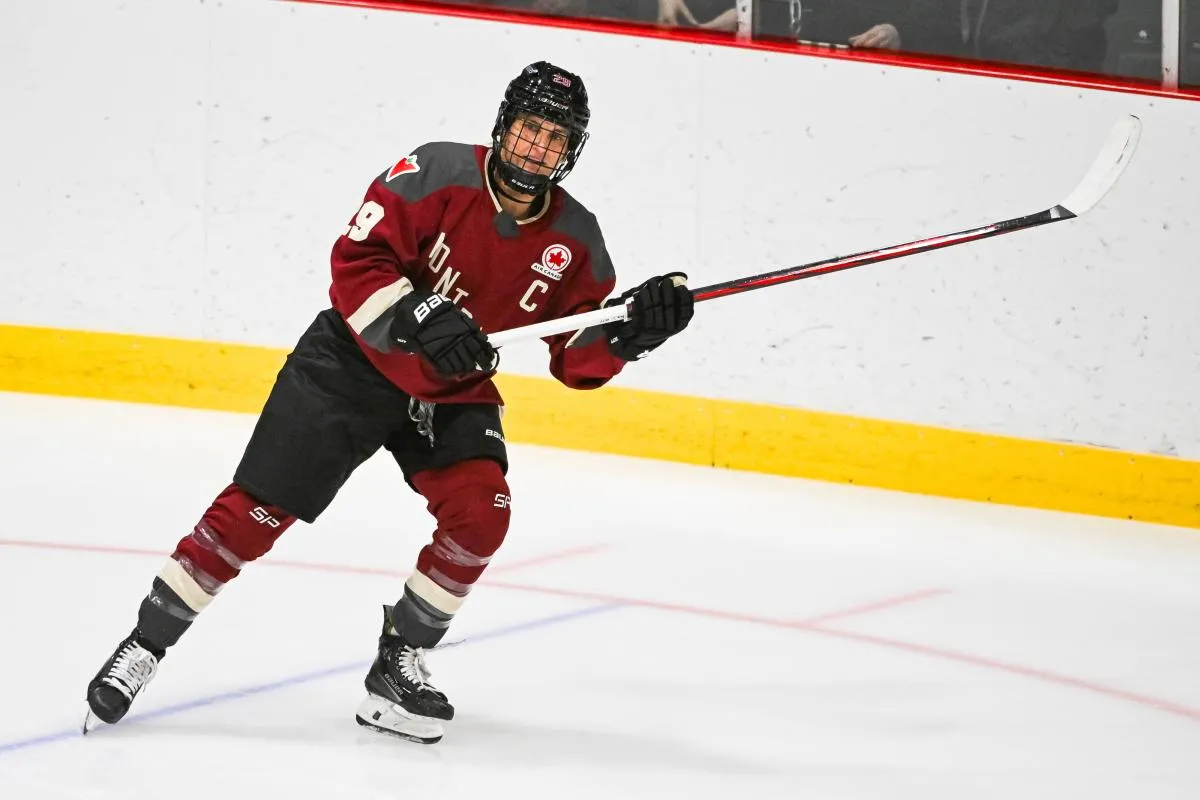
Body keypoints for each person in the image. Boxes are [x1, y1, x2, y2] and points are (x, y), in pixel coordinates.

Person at [83, 61, 694, 745]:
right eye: (530, 129)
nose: (537, 148)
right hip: (351, 363)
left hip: (450, 388)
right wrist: (418, 311)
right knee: (255, 513)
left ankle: (397, 664)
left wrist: (633, 333)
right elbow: (355, 260)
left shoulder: (576, 237)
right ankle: (146, 644)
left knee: (481, 514)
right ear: (504, 126)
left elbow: (575, 358)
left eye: (555, 138)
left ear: (571, 150)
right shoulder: (435, 172)